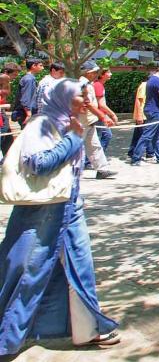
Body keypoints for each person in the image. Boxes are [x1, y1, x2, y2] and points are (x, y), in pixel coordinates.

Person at [0, 79, 120, 353]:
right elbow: (37, 163)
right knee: (29, 270)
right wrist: (72, 139)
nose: (87, 100)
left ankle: (88, 330)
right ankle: (7, 338)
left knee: (81, 267)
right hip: (43, 211)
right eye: (82, 95)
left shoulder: (70, 121)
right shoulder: (42, 124)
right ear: (64, 97)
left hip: (70, 205)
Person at [77, 61, 118, 179]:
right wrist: (103, 116)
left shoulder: (88, 84)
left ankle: (102, 169)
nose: (96, 74)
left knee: (94, 145)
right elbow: (88, 104)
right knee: (77, 145)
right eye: (94, 72)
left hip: (89, 120)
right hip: (83, 121)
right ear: (88, 73)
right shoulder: (83, 84)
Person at [130, 64, 159, 166]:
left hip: (152, 110)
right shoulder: (158, 81)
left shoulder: (151, 80)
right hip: (154, 111)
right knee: (147, 135)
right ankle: (136, 158)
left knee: (157, 136)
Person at [12, 58, 43, 128]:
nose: (43, 68)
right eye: (40, 65)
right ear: (34, 66)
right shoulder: (29, 79)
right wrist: (29, 114)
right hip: (26, 114)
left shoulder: (29, 78)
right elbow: (26, 98)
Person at [125, 76, 148, 161]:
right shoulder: (144, 86)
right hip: (143, 115)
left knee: (138, 135)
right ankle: (137, 155)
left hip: (142, 115)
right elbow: (139, 101)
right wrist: (139, 115)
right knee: (143, 135)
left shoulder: (143, 85)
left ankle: (132, 152)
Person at [93, 68, 116, 152]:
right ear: (102, 75)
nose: (111, 74)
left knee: (102, 136)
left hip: (99, 115)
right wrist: (112, 114)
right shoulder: (98, 85)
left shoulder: (98, 85)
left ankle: (94, 159)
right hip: (98, 116)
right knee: (106, 135)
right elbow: (101, 104)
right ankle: (93, 159)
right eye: (108, 72)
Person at [0, 63, 16, 155]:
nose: (14, 77)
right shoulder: (4, 78)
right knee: (3, 132)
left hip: (2, 110)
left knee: (7, 135)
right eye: (14, 74)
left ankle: (7, 155)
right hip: (1, 110)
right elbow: (6, 92)